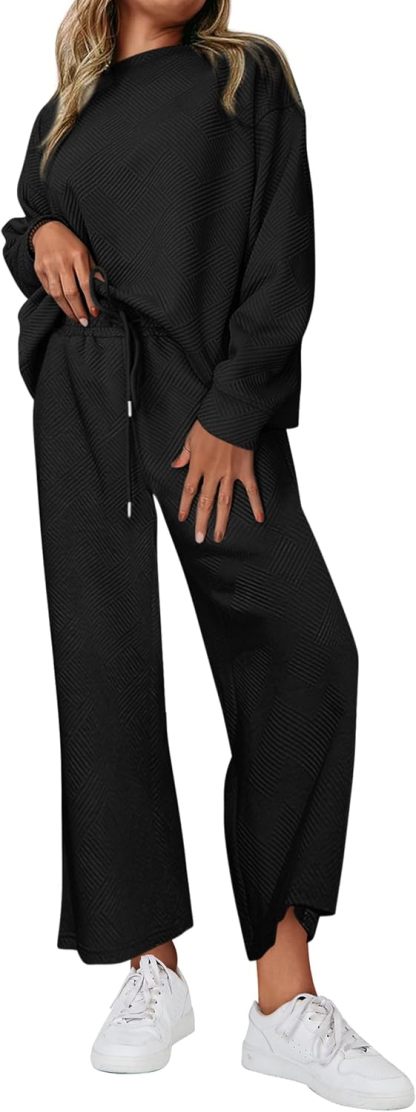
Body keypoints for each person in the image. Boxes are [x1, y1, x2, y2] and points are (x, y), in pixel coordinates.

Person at [2, 0, 414, 1105]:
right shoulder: (64, 110)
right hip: (88, 395)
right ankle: (151, 966)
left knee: (305, 653)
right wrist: (31, 236)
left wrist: (236, 410)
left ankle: (283, 1001)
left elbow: (282, 246)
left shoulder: (245, 78)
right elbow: (36, 224)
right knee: (105, 668)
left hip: (205, 407)